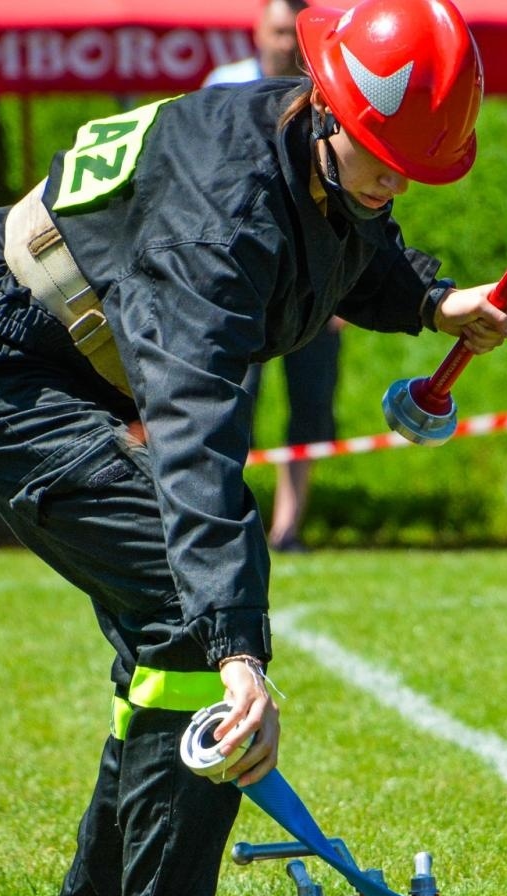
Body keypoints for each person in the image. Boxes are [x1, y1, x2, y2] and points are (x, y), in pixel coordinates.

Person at [0, 0, 507, 896]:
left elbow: (350, 236)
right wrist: (241, 655)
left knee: (164, 643)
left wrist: (430, 302)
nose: (392, 180)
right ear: (328, 106)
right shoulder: (222, 219)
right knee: (186, 617)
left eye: (409, 164)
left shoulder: (306, 145)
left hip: (73, 363)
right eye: (376, 154)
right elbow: (197, 443)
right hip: (0, 368)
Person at [208, 0, 342, 552]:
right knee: (231, 403)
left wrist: (341, 286)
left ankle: (288, 528)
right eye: (280, 31)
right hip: (243, 281)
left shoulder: (326, 98)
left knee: (311, 405)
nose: (287, 43)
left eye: (295, 34)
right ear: (258, 32)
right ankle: (226, 519)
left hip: (309, 281)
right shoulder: (224, 88)